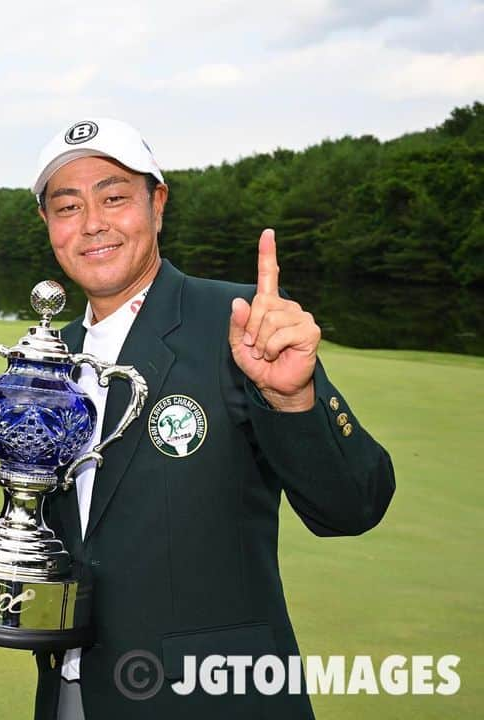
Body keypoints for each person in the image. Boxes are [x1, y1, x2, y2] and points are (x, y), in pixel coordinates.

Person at [27, 119, 396, 719]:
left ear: (158, 202)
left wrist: (293, 399)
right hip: (74, 693)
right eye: (68, 206)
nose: (92, 222)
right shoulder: (51, 357)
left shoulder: (237, 324)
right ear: (48, 225)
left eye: (114, 197)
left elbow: (354, 505)